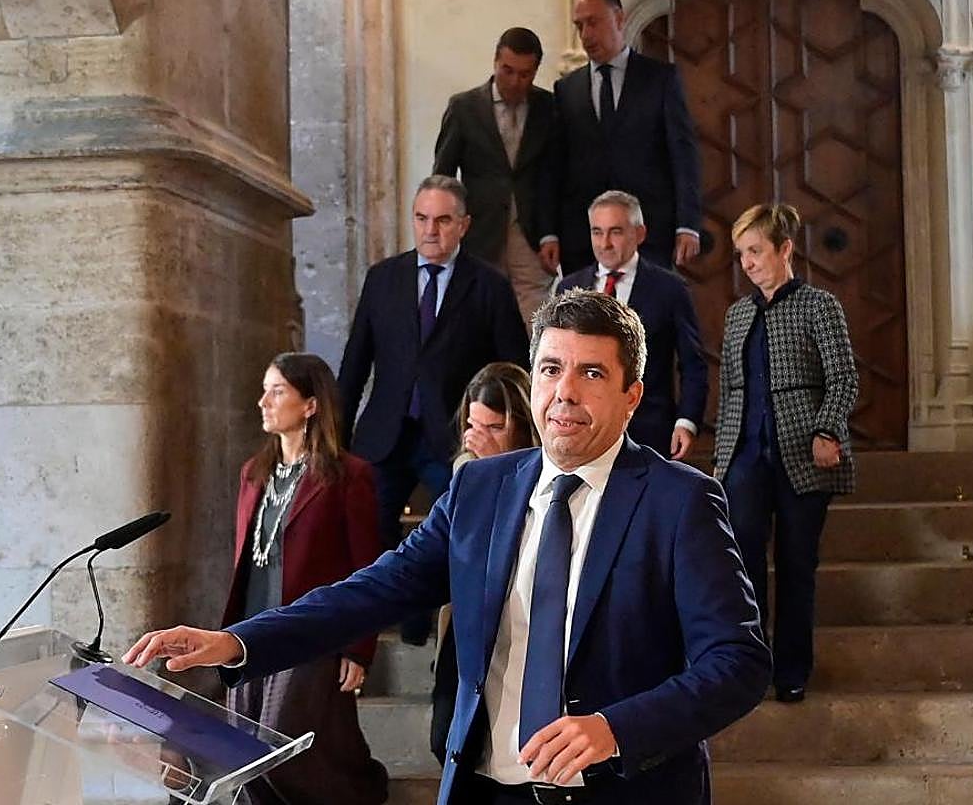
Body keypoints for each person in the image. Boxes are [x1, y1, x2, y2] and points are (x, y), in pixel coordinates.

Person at [126, 289, 770, 805]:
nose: (565, 391)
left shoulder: (679, 501)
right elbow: (372, 592)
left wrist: (614, 729)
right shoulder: (480, 489)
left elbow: (737, 663)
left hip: (625, 789)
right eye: (550, 368)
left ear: (631, 396)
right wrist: (238, 641)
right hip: (485, 787)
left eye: (591, 373)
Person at [337, 174, 531, 644]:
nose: (431, 230)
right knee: (370, 531)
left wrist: (511, 441)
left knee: (455, 533)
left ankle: (428, 620)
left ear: (463, 225)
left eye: (443, 220)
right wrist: (335, 436)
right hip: (385, 431)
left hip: (454, 436)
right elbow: (355, 362)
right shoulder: (383, 278)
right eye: (422, 218)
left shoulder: (489, 286)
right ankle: (370, 631)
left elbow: (515, 371)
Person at [222, 352, 388, 805]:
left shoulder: (347, 475)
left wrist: (359, 648)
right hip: (250, 633)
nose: (263, 401)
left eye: (277, 391)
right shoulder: (253, 475)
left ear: (310, 405)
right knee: (244, 752)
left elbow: (369, 569)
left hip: (310, 633)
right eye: (264, 389)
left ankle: (362, 793)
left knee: (291, 745)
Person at [712, 203, 858, 704]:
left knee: (797, 566)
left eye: (755, 251)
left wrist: (826, 429)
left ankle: (792, 671)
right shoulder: (737, 316)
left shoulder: (820, 306)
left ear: (785, 250)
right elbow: (731, 392)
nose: (747, 263)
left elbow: (843, 378)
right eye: (741, 254)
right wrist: (722, 462)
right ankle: (751, 669)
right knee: (743, 567)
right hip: (745, 459)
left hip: (803, 458)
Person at [539, 0, 702, 273]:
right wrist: (549, 232)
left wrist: (687, 224)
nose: (586, 34)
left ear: (619, 18)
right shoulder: (567, 89)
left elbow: (683, 154)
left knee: (645, 316)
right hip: (584, 239)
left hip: (648, 231)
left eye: (593, 22)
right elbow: (554, 167)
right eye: (579, 26)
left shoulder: (659, 79)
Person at [432, 362, 539, 764]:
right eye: (475, 426)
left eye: (495, 428)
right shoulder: (467, 472)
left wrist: (493, 464)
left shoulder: (540, 473)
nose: (480, 438)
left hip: (521, 619)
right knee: (446, 738)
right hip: (470, 619)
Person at [558, 191, 707, 461]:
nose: (605, 243)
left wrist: (686, 422)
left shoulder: (670, 289)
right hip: (583, 429)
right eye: (596, 232)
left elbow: (693, 363)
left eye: (615, 232)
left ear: (639, 234)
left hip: (650, 430)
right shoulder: (569, 288)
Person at [434, 27, 558, 324]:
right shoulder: (464, 108)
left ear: (536, 71)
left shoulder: (549, 107)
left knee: (535, 319)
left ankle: (531, 372)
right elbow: (444, 177)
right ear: (495, 62)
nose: (515, 81)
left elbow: (556, 175)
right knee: (481, 315)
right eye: (508, 70)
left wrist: (552, 233)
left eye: (525, 74)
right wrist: (445, 230)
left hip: (531, 233)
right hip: (480, 231)